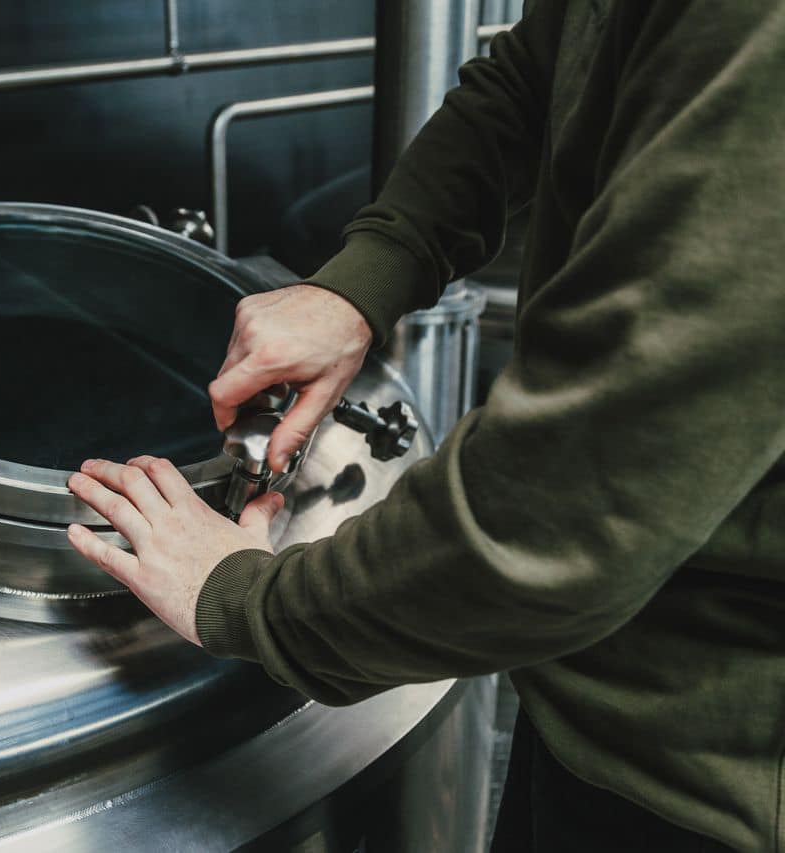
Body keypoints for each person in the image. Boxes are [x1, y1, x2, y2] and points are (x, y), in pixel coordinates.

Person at [64, 1, 785, 850]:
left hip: (704, 784)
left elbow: (559, 524)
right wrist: (369, 273)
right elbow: (540, 73)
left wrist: (248, 601)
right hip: (589, 697)